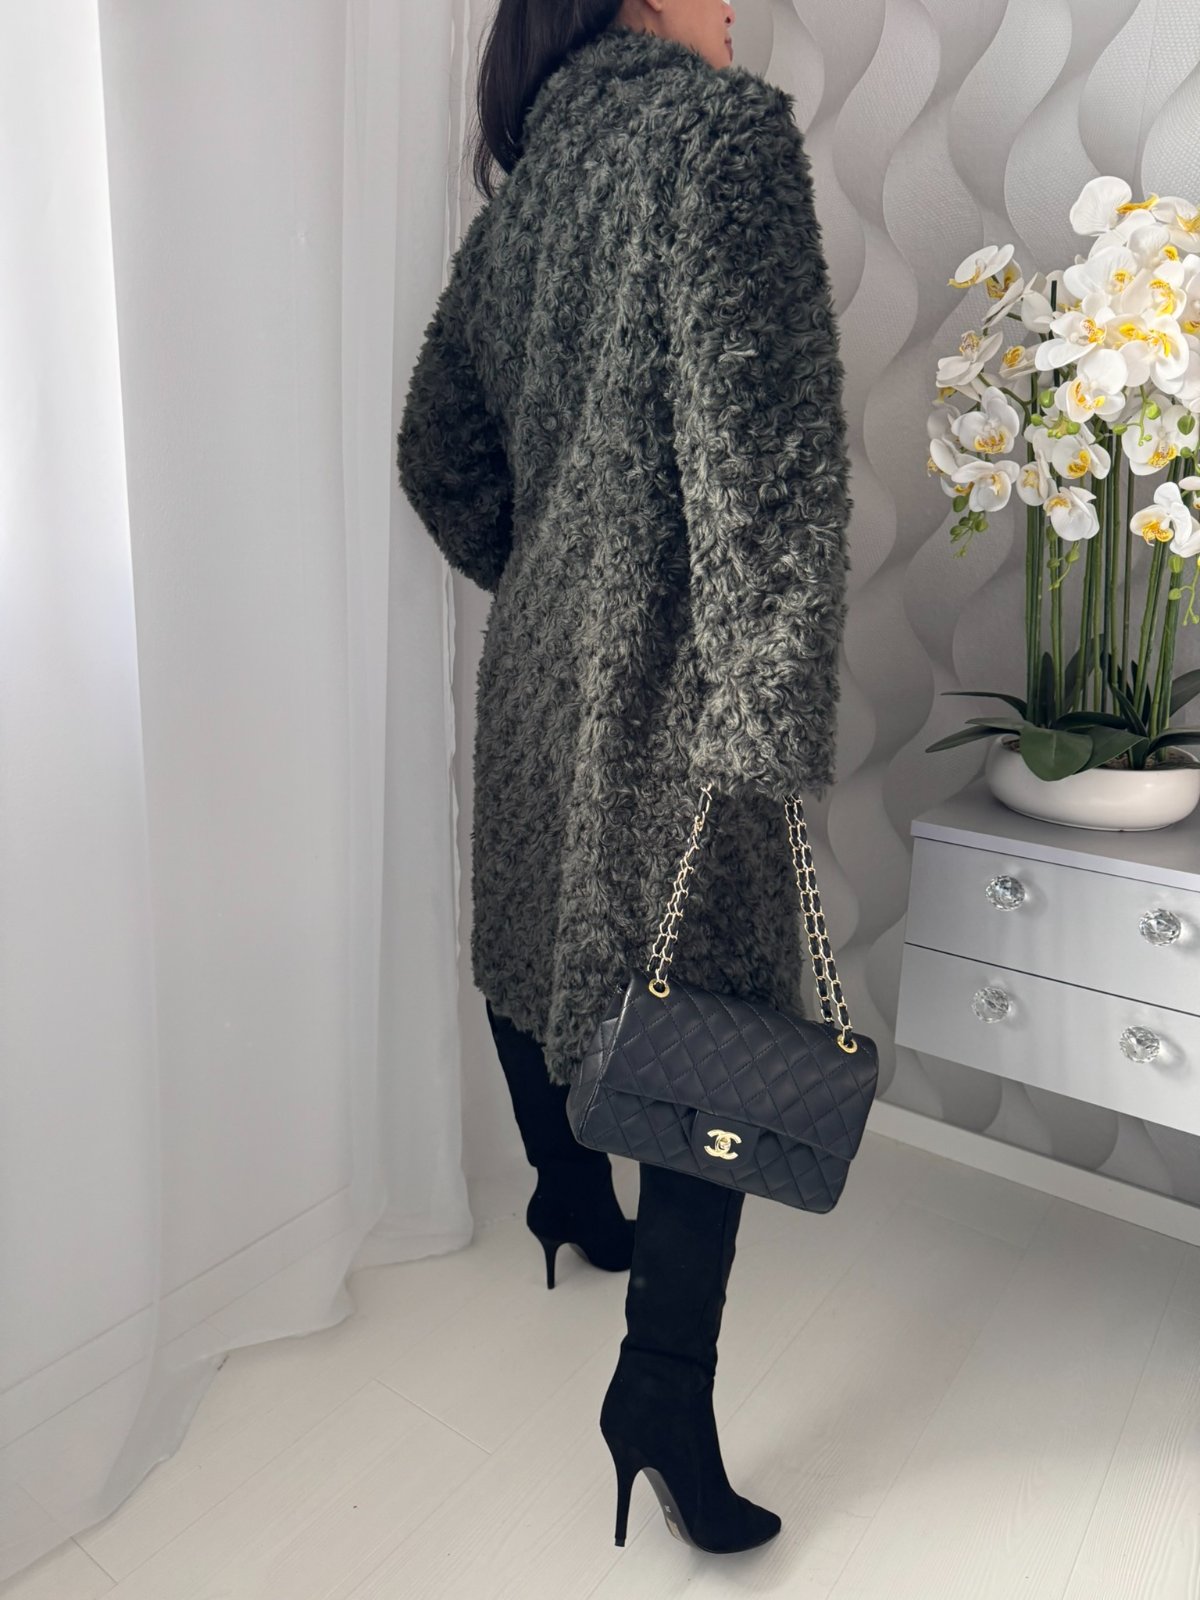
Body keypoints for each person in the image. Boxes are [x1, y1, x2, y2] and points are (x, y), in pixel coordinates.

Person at [396, 0, 852, 1557]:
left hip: (541, 661)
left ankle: (565, 1197)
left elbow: (437, 452)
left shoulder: (528, 195)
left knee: (534, 939)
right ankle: (661, 1393)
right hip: (674, 683)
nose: (733, 9)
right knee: (706, 1023)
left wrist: (542, 576)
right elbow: (766, 467)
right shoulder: (719, 137)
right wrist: (766, 717)